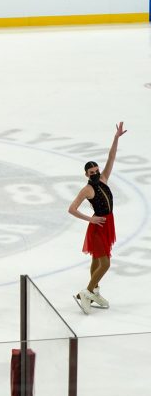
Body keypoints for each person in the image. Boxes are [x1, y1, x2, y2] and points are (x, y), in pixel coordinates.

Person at [68, 122, 126, 314]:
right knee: (105, 263)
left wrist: (116, 138)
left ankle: (93, 290)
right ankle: (87, 292)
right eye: (91, 173)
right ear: (86, 174)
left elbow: (111, 157)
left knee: (97, 260)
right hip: (98, 227)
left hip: (108, 224)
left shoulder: (103, 179)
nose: (95, 174)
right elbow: (72, 209)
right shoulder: (87, 189)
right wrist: (90, 219)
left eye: (96, 171)